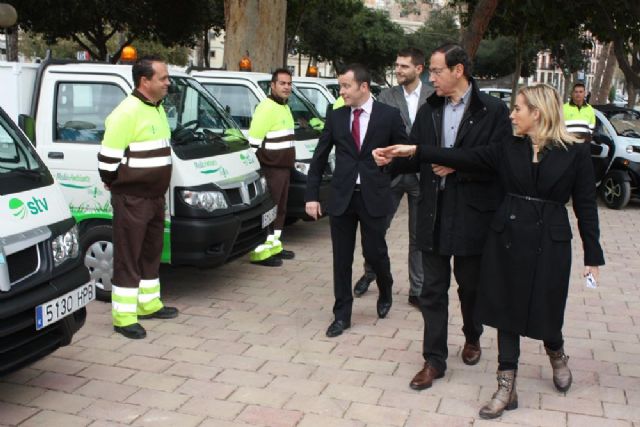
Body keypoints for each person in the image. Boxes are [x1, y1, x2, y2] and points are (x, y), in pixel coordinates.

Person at [376, 83, 605, 419]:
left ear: (537, 113)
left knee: (547, 306)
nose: (511, 115)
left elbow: (586, 205)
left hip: (551, 241)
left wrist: (593, 257)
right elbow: (465, 157)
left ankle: (556, 352)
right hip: (508, 235)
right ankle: (505, 385)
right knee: (506, 309)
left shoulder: (575, 152)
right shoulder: (508, 146)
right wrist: (414, 151)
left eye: (518, 109)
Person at [379, 43, 512, 389]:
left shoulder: (493, 111)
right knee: (432, 291)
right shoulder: (430, 110)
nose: (432, 77)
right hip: (433, 213)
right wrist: (393, 159)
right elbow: (418, 154)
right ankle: (433, 360)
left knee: (470, 288)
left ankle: (472, 335)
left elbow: (494, 160)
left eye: (437, 71)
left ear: (458, 71)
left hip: (471, 216)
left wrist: (451, 162)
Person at [305, 64, 408, 338]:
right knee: (341, 258)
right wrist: (311, 196)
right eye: (341, 87)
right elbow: (319, 156)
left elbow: (404, 153)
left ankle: (385, 288)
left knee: (375, 252)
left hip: (374, 197)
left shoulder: (389, 116)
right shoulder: (336, 116)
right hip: (342, 198)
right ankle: (342, 315)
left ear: (364, 87)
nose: (342, 92)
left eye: (346, 86)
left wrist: (386, 172)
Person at [98, 56, 179, 340]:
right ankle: (124, 316)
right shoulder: (126, 112)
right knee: (129, 255)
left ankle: (148, 304)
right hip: (132, 198)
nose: (168, 82)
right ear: (145, 81)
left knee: (150, 252)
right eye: (163, 78)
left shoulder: (157, 109)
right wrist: (114, 183)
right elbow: (107, 160)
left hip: (155, 197)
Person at [353, 48, 433, 309]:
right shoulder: (386, 96)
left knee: (418, 235)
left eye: (403, 66)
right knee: (375, 229)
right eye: (396, 65)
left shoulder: (434, 96)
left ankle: (417, 289)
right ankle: (370, 272)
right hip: (391, 175)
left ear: (418, 69)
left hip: (423, 175)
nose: (398, 70)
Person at [247, 68, 297, 267]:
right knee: (269, 210)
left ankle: (274, 245)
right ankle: (261, 253)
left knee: (280, 209)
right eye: (282, 83)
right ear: (273, 85)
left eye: (289, 83)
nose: (286, 87)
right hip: (271, 168)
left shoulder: (284, 106)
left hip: (283, 168)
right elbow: (253, 143)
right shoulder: (266, 107)